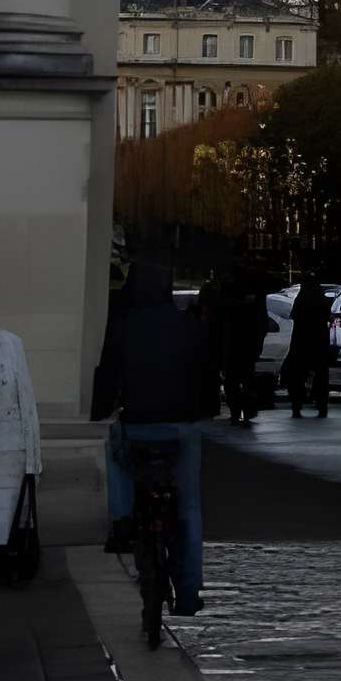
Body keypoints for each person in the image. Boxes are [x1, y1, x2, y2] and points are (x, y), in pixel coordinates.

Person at [93, 257, 216, 616]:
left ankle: (123, 522)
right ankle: (190, 593)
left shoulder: (123, 325)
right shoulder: (188, 326)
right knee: (189, 508)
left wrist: (102, 410)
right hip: (181, 429)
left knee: (116, 455)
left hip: (138, 427)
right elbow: (207, 377)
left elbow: (108, 375)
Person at [0, 284, 43, 647]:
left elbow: (27, 404)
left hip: (4, 459)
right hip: (4, 456)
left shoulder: (9, 345)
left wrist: (32, 465)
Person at [220, 271, 271, 428]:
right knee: (245, 379)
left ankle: (238, 412)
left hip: (237, 347)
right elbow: (262, 323)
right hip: (247, 346)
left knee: (234, 380)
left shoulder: (231, 302)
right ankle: (245, 411)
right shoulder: (255, 302)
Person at [284, 273, 334, 420]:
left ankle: (297, 407)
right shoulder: (322, 300)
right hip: (319, 341)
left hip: (301, 342)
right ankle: (321, 405)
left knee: (297, 375)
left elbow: (293, 315)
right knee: (321, 376)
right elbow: (327, 316)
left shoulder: (301, 300)